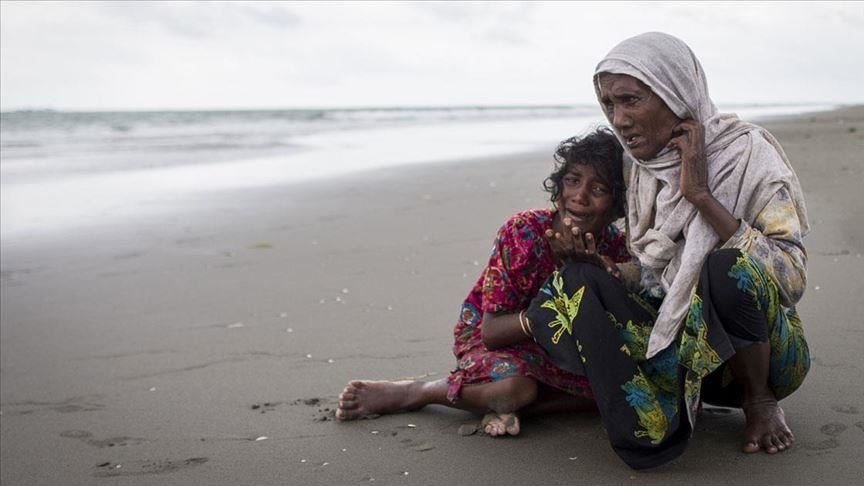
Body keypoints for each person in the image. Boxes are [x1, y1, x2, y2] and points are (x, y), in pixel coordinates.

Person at [525, 32, 810, 469]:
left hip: (765, 360)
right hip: (682, 356)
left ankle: (760, 402)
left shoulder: (748, 154)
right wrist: (607, 270)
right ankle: (651, 423)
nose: (619, 120)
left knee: (725, 267)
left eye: (631, 101)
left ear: (675, 93)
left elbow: (791, 275)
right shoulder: (637, 168)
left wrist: (701, 195)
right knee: (575, 283)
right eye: (609, 104)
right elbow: (655, 274)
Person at [336, 128, 631, 436]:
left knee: (621, 390)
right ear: (558, 187)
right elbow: (492, 334)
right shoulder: (524, 233)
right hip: (500, 338)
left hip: (565, 349)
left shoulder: (616, 249)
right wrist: (565, 286)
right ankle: (420, 392)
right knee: (513, 389)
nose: (579, 196)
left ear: (616, 207)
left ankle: (512, 408)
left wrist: (592, 270)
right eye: (572, 180)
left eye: (599, 189)